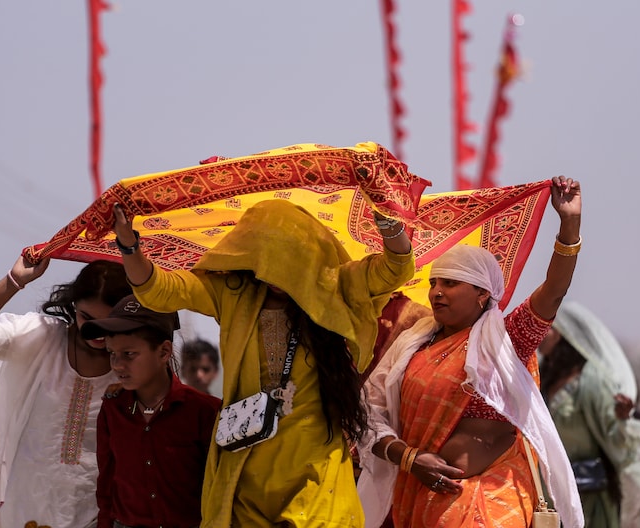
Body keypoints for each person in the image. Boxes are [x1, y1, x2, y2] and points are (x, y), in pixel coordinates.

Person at [111, 198, 415, 527]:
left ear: (304, 254)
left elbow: (394, 268)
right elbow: (160, 290)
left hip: (313, 458)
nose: (272, 273)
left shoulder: (336, 283)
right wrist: (129, 246)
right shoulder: (232, 292)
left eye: (283, 261)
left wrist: (389, 222)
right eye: (264, 260)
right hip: (246, 458)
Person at [357, 175, 584, 528]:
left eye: (450, 283)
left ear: (482, 294)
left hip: (496, 500)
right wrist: (410, 459)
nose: (435, 293)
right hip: (421, 500)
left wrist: (569, 224)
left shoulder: (506, 341)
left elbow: (554, 290)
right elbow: (370, 415)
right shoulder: (413, 345)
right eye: (433, 283)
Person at [0, 258, 132, 528]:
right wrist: (14, 281)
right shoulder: (39, 336)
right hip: (23, 506)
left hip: (93, 512)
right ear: (73, 308)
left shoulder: (131, 366)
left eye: (109, 324)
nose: (97, 334)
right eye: (87, 319)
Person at [81, 294, 221, 528]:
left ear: (164, 352)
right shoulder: (113, 408)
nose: (117, 365)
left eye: (129, 354)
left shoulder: (204, 411)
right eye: (112, 354)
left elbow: (218, 487)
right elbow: (106, 485)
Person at [540, 301, 640, 528]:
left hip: (590, 498)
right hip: (551, 496)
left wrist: (621, 420)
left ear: (562, 334)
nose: (539, 333)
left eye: (547, 327)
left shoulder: (591, 382)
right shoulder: (542, 377)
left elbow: (617, 443)